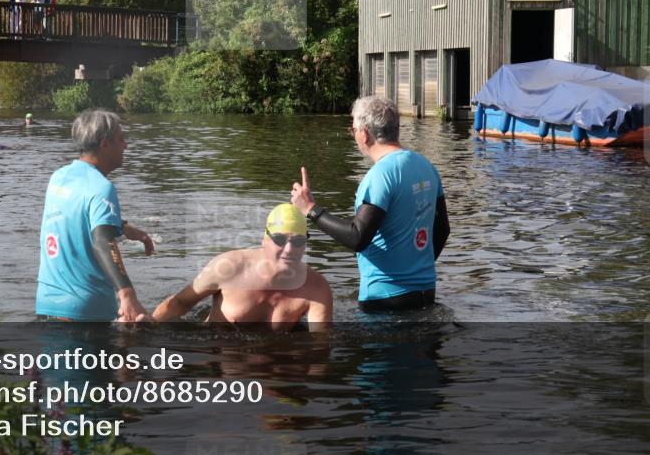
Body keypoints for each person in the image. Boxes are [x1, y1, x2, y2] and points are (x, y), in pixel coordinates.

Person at [291, 96, 450, 312]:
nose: (354, 134)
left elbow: (358, 237)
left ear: (364, 134)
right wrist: (417, 270)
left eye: (353, 129)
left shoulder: (380, 175)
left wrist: (311, 209)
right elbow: (443, 229)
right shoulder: (426, 166)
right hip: (426, 292)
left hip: (384, 298)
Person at [36, 109, 154, 322]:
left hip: (48, 304)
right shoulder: (101, 187)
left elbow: (75, 216)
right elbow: (102, 241)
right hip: (86, 310)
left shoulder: (58, 178)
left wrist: (122, 227)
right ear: (105, 144)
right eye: (121, 139)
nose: (126, 145)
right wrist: (127, 294)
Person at [154, 204, 333, 332]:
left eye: (298, 241)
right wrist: (143, 333)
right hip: (218, 360)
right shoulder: (229, 267)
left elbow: (320, 345)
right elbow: (179, 303)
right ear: (265, 239)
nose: (289, 249)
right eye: (279, 240)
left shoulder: (316, 287)